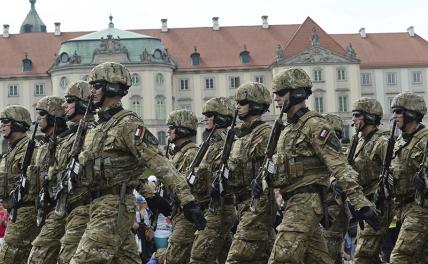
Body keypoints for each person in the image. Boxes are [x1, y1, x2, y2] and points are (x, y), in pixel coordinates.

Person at [69, 62, 205, 263]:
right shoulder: (97, 127)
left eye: (97, 86)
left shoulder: (128, 124)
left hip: (113, 207)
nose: (92, 92)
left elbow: (159, 162)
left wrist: (187, 199)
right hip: (96, 205)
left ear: (112, 88)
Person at [267, 68, 379, 264]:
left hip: (305, 202)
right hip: (292, 201)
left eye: (280, 93)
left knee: (282, 258)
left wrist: (360, 202)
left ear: (297, 93)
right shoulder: (288, 129)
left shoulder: (316, 125)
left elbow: (339, 165)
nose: (275, 98)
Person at [27, 83, 94, 264]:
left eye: (69, 101)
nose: (65, 106)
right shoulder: (65, 139)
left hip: (83, 207)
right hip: (60, 206)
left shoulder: (91, 132)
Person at [223, 82, 275, 264]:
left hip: (257, 204)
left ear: (255, 104)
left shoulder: (265, 133)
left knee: (236, 258)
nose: (237, 106)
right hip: (242, 204)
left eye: (242, 102)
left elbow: (274, 167)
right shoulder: (240, 135)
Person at [189, 97, 237, 264]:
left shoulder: (228, 143)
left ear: (221, 117)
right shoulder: (211, 144)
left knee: (199, 256)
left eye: (210, 115)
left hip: (219, 207)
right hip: (208, 206)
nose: (206, 119)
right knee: (227, 255)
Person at [350, 98, 393, 264]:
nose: (353, 120)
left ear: (369, 117)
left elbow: (394, 172)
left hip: (379, 205)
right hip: (363, 205)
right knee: (369, 256)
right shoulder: (359, 141)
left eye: (357, 115)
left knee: (363, 255)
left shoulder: (382, 141)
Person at [27, 95, 69, 264]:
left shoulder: (66, 141)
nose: (38, 119)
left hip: (62, 208)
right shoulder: (44, 145)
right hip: (46, 207)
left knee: (38, 257)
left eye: (42, 115)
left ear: (53, 117)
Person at [388, 91, 428, 263]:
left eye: (398, 112)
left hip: (420, 208)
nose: (393, 116)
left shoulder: (425, 140)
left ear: (411, 113)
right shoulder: (400, 141)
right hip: (401, 208)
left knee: (399, 258)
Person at [0, 105, 38, 264]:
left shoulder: (31, 149)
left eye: (5, 122)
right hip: (13, 209)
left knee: (7, 256)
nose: (1, 126)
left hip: (27, 209)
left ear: (17, 124)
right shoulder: (10, 152)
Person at [164, 109, 198, 264]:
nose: (168, 131)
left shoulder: (191, 154)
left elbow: (188, 185)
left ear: (182, 129)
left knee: (174, 257)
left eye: (172, 127)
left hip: (187, 216)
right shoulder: (178, 153)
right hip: (179, 213)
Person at [321, 113, 351, 264]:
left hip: (333, 213)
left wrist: (333, 181)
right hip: (323, 211)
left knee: (329, 254)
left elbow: (343, 171)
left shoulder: (341, 153)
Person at [132, 194, 154, 263]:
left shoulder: (145, 211)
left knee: (145, 253)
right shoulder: (138, 211)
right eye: (143, 203)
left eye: (145, 203)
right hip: (141, 235)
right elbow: (135, 226)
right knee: (142, 252)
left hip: (145, 234)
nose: (145, 204)